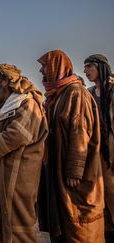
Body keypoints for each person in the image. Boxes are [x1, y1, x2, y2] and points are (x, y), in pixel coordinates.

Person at [0, 64, 48, 242]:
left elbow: (17, 135)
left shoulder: (26, 103)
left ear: (5, 81)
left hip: (17, 176)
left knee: (18, 228)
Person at [37, 50, 104, 242]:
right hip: (58, 166)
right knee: (63, 219)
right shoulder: (58, 94)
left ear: (57, 67)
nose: (41, 70)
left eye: (45, 66)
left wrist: (75, 169)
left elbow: (80, 131)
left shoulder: (75, 92)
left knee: (78, 222)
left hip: (74, 173)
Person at [84, 54, 114, 242]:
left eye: (89, 67)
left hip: (111, 154)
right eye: (84, 67)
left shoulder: (113, 91)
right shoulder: (88, 93)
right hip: (96, 154)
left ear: (101, 67)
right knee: (100, 199)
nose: (86, 71)